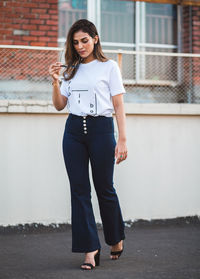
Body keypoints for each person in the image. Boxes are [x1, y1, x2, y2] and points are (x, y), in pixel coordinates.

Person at [49, 19, 127, 271]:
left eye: (84, 40)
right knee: (79, 191)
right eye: (75, 42)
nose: (80, 46)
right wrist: (55, 82)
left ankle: (115, 238)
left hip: (102, 130)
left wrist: (122, 139)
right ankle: (90, 249)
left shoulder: (109, 67)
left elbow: (118, 106)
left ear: (95, 38)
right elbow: (60, 105)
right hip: (73, 131)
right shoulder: (71, 70)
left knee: (105, 188)